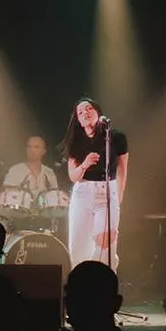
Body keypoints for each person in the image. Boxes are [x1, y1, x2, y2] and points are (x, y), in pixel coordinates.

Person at [58, 97, 128, 271]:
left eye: (88, 109)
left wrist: (118, 198)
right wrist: (85, 164)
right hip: (83, 191)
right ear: (78, 121)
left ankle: (104, 283)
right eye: (80, 112)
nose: (85, 113)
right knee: (78, 244)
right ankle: (80, 283)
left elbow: (122, 169)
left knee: (106, 243)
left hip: (108, 190)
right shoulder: (75, 141)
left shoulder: (116, 137)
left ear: (98, 112)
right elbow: (73, 176)